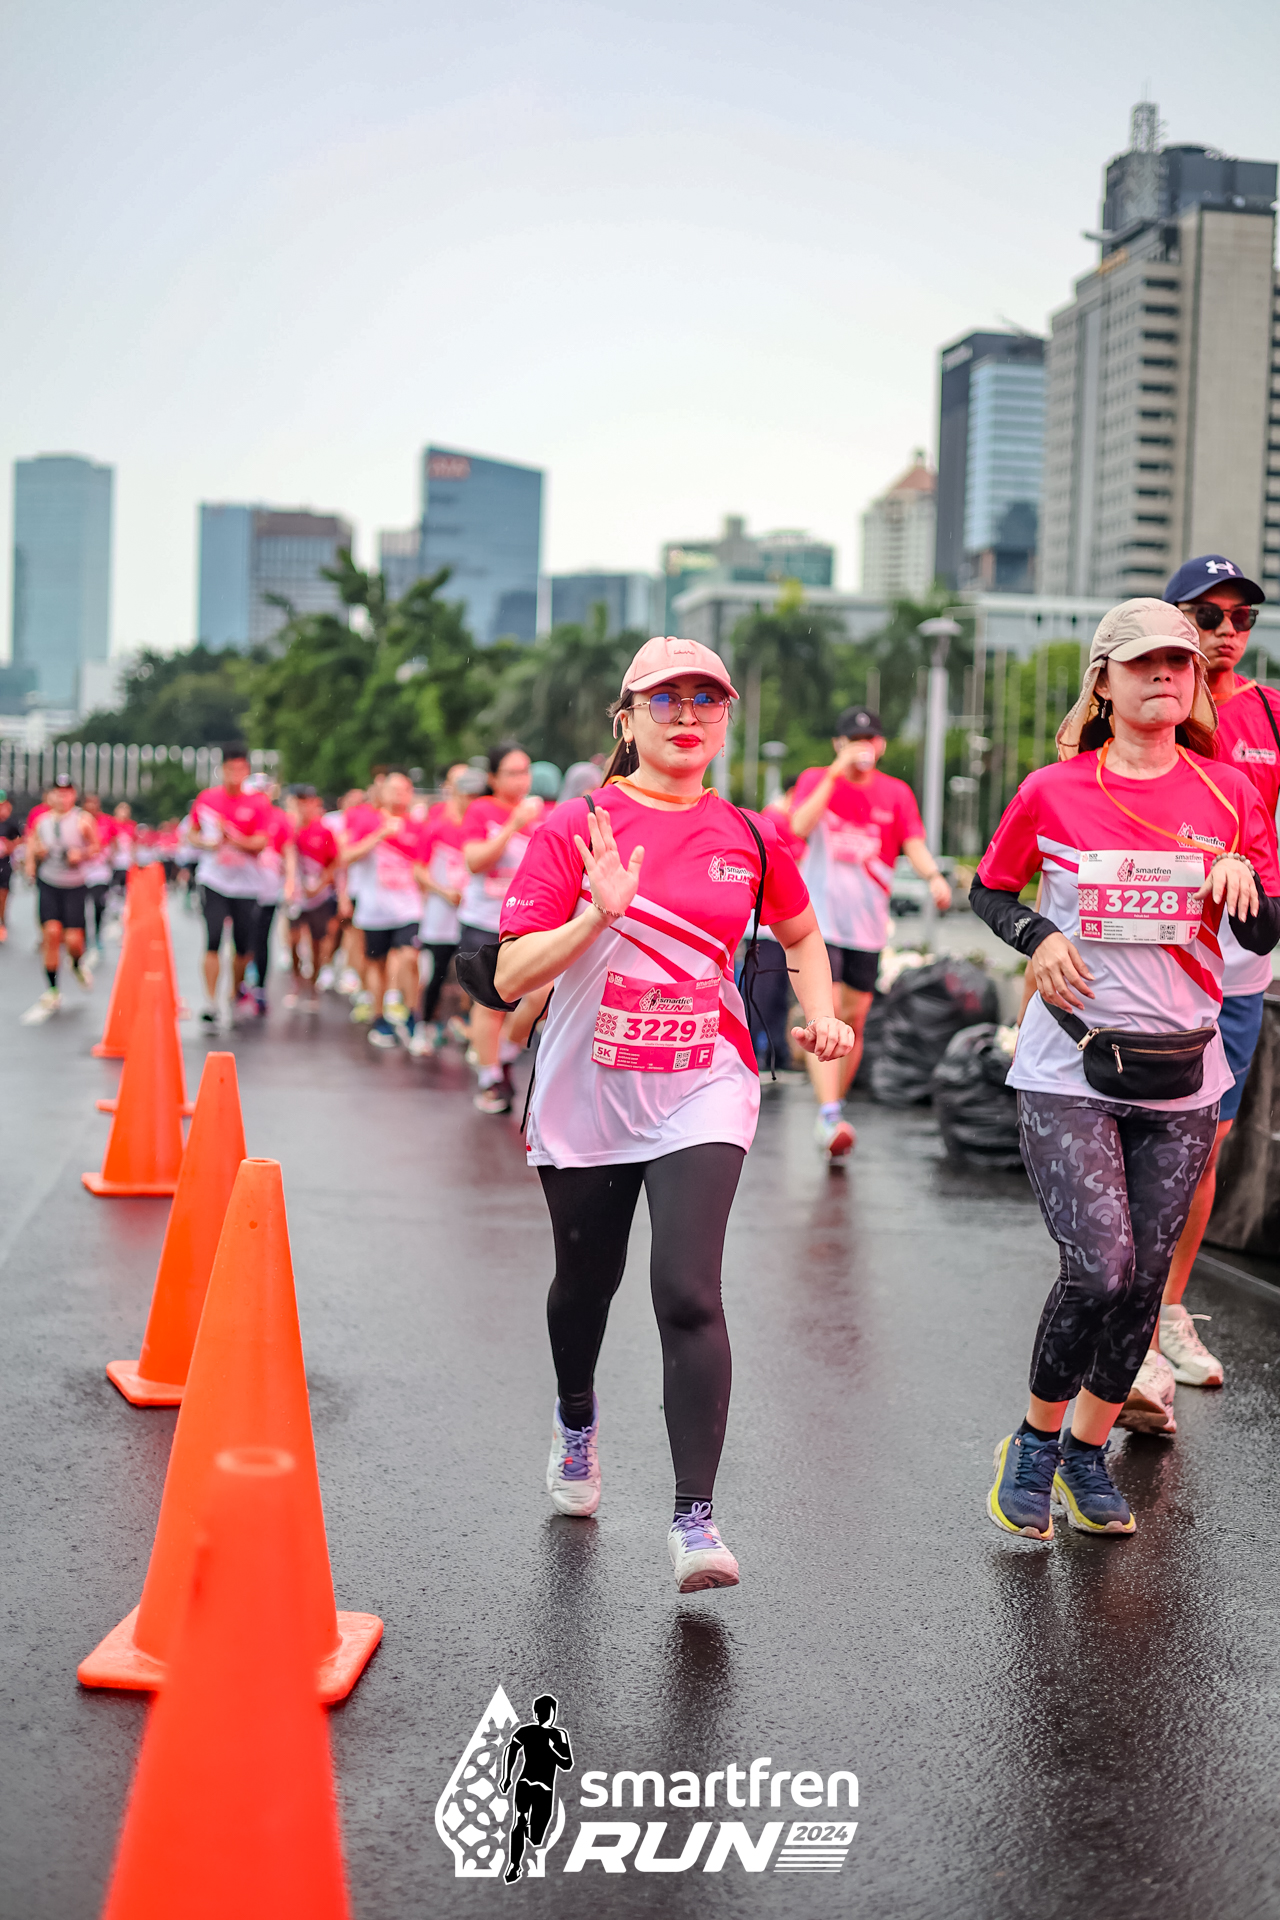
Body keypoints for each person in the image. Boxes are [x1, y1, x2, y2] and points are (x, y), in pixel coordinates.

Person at [493, 635, 855, 1591]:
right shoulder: (578, 825)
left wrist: (820, 1012)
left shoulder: (751, 834)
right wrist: (595, 915)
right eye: (665, 700)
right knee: (586, 1285)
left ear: (726, 720)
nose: (688, 715)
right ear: (627, 719)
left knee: (688, 1290)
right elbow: (510, 973)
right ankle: (577, 1417)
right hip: (587, 1090)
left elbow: (803, 937)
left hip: (705, 1083)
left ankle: (696, 1520)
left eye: (707, 699)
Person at [971, 600, 1279, 1541]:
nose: (1166, 677)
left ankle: (1086, 1453)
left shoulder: (1232, 794)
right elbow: (990, 889)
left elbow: (1265, 933)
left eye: (1179, 664)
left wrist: (1246, 887)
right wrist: (1038, 935)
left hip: (1182, 1068)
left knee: (1145, 1282)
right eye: (1144, 663)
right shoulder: (1053, 790)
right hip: (1070, 1063)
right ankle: (1034, 1443)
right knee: (1101, 1267)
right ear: (1103, 682)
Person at [1117, 556, 1280, 1434]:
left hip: (1238, 974)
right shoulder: (1148, 701)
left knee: (1204, 1146)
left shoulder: (1266, 712)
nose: (1225, 631)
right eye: (1207, 615)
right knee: (1139, 1149)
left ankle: (1165, 1310)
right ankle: (1128, 1325)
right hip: (1146, 968)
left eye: (1241, 617)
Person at [789, 706, 951, 1158]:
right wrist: (834, 773)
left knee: (854, 1019)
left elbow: (913, 842)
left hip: (866, 927)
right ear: (839, 744)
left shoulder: (895, 793)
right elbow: (798, 826)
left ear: (880, 746)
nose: (863, 748)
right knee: (826, 1013)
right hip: (819, 923)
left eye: (870, 740)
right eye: (853, 740)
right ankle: (828, 1113)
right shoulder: (816, 779)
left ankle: (834, 1105)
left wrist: (933, 877)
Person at [461, 743, 546, 1113]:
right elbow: (475, 862)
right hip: (484, 921)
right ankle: (490, 1077)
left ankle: (508, 1054)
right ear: (493, 777)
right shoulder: (481, 810)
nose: (521, 779)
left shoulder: (542, 813)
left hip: (528, 924)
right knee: (490, 1005)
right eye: (512, 772)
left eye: (526, 771)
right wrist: (513, 824)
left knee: (540, 995)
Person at [340, 769, 426, 1049]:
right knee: (376, 965)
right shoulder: (368, 820)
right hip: (374, 909)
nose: (399, 795)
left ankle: (411, 1016)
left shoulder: (417, 826)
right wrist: (380, 834)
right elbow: (346, 855)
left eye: (405, 790)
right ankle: (380, 1018)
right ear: (383, 793)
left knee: (409, 957)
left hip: (408, 909)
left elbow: (421, 866)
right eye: (394, 789)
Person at [188, 744, 273, 1025]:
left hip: (246, 884)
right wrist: (207, 843)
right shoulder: (207, 799)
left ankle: (236, 990)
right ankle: (211, 1002)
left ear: (246, 771)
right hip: (214, 880)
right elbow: (192, 834)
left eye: (240, 769)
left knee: (243, 947)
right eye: (230, 769)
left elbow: (261, 843)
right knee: (213, 938)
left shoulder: (258, 803)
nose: (235, 774)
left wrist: (234, 839)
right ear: (222, 770)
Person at [21, 776, 99, 1023]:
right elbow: (32, 845)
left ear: (73, 795)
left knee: (73, 940)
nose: (62, 797)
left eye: (67, 793)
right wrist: (32, 864)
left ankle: (76, 963)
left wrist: (81, 854)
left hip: (74, 885)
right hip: (49, 883)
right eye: (58, 792)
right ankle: (53, 989)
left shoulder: (83, 820)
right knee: (52, 933)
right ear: (51, 795)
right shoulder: (42, 821)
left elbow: (96, 847)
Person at [408, 761, 470, 1055]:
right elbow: (418, 870)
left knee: (471, 973)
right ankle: (425, 1026)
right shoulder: (436, 826)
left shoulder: (479, 826)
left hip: (471, 914)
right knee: (437, 973)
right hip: (441, 913)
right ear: (449, 788)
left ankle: (464, 1024)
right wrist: (444, 892)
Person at [500, 1695, 573, 1885]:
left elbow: (567, 1764)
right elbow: (511, 1750)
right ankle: (514, 1865)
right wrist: (506, 1777)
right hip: (528, 1783)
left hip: (541, 1788)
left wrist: (550, 1751)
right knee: (520, 1820)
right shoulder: (528, 1731)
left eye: (547, 1711)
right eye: (542, 1712)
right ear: (536, 1713)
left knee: (536, 1837)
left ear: (553, 1713)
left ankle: (527, 1832)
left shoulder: (559, 1735)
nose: (545, 1715)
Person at [282, 787, 340, 1012]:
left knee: (316, 943)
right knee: (293, 940)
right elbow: (284, 854)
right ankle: (296, 982)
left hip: (318, 896)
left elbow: (334, 862)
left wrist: (321, 885)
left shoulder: (324, 831)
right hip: (297, 896)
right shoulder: (291, 829)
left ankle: (313, 986)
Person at [248, 782, 290, 1016]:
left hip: (269, 889)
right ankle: (241, 982)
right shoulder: (243, 814)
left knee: (262, 938)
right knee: (244, 938)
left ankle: (260, 987)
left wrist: (290, 882)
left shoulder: (279, 818)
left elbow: (288, 851)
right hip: (244, 889)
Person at [79, 794, 113, 953]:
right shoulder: (78, 819)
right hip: (81, 869)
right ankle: (84, 937)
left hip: (100, 870)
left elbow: (113, 841)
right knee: (81, 905)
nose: (92, 807)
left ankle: (98, 934)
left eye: (95, 804)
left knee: (99, 904)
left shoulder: (106, 821)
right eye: (89, 804)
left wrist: (111, 857)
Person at [0, 791, 22, 945]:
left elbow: (21, 839)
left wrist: (10, 846)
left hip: (4, 863)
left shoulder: (11, 822)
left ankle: (2, 920)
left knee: (3, 893)